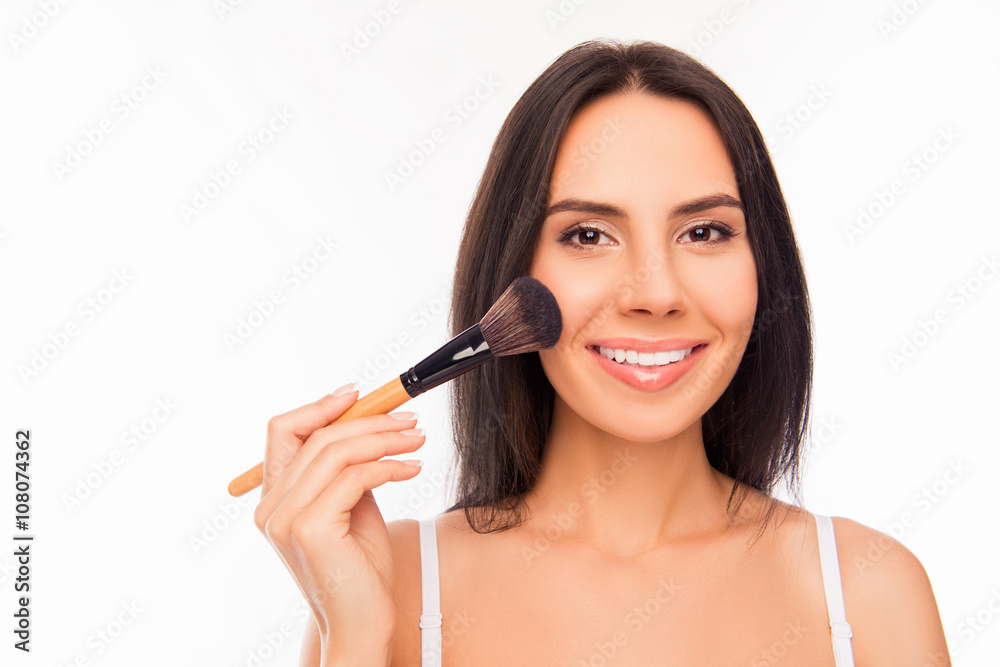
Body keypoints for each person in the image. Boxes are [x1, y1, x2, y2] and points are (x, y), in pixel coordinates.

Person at [254, 39, 951, 666]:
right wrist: (357, 635)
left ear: (763, 263)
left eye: (705, 231)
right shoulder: (392, 582)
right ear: (513, 270)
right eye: (588, 235)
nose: (655, 292)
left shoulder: (866, 593)